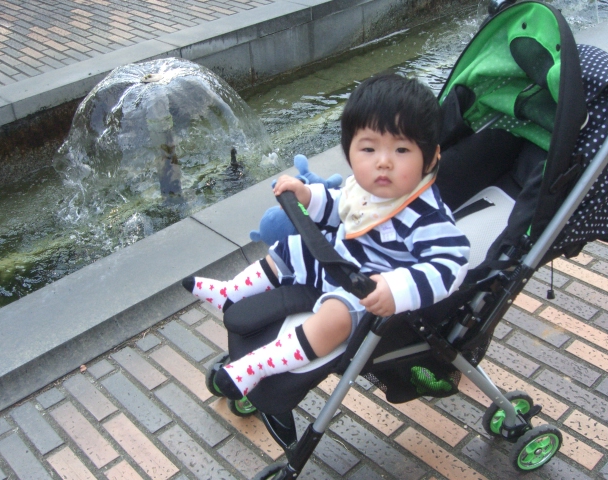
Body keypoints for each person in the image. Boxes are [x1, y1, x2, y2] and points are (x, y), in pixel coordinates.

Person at [182, 74, 470, 400]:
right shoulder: (366, 187)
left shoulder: (425, 215)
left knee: (334, 319)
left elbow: (452, 263)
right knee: (290, 249)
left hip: (367, 294)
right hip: (336, 261)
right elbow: (342, 207)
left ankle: (258, 365)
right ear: (349, 151)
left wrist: (396, 288)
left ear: (430, 158)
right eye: (368, 148)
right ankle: (231, 292)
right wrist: (308, 197)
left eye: (401, 149)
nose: (383, 162)